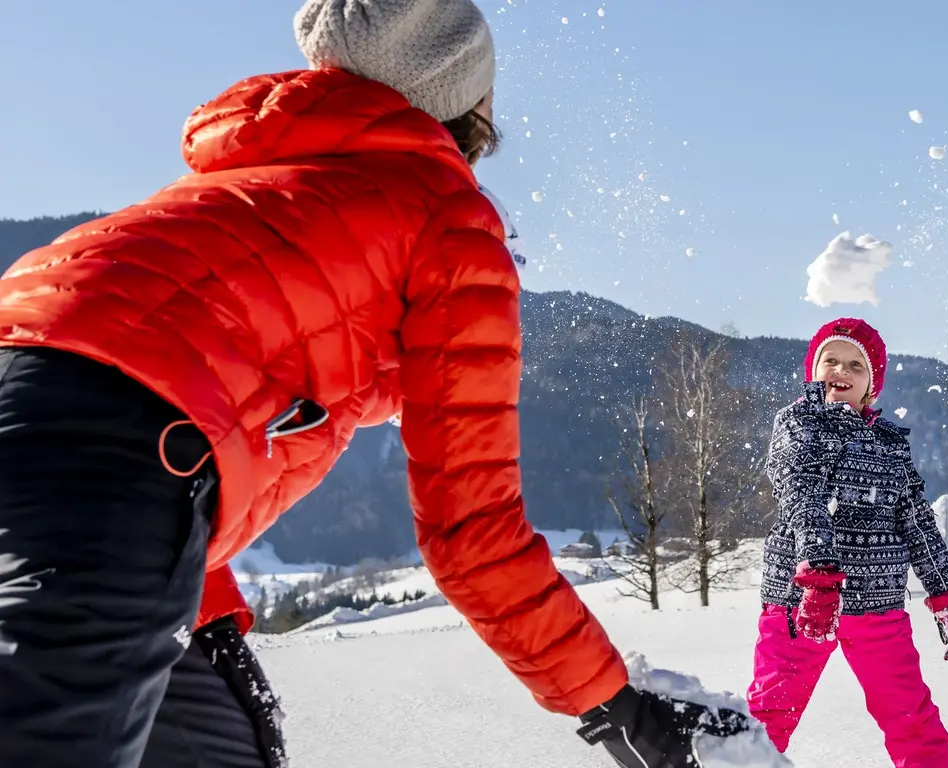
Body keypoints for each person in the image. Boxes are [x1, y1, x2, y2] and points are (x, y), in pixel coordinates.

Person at [0, 1, 740, 766]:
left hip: (81, 430)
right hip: (116, 463)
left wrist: (207, 614)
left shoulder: (257, 190)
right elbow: (472, 533)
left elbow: (120, 377)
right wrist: (614, 707)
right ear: (466, 98)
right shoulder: (444, 218)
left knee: (219, 742)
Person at [748, 318, 948, 768]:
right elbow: (801, 493)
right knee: (770, 713)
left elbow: (916, 521)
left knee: (911, 717)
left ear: (872, 385)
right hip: (801, 598)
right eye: (829, 359)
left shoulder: (889, 443)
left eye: (856, 364)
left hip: (877, 604)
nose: (840, 369)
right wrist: (819, 576)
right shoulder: (798, 423)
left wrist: (945, 594)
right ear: (813, 369)